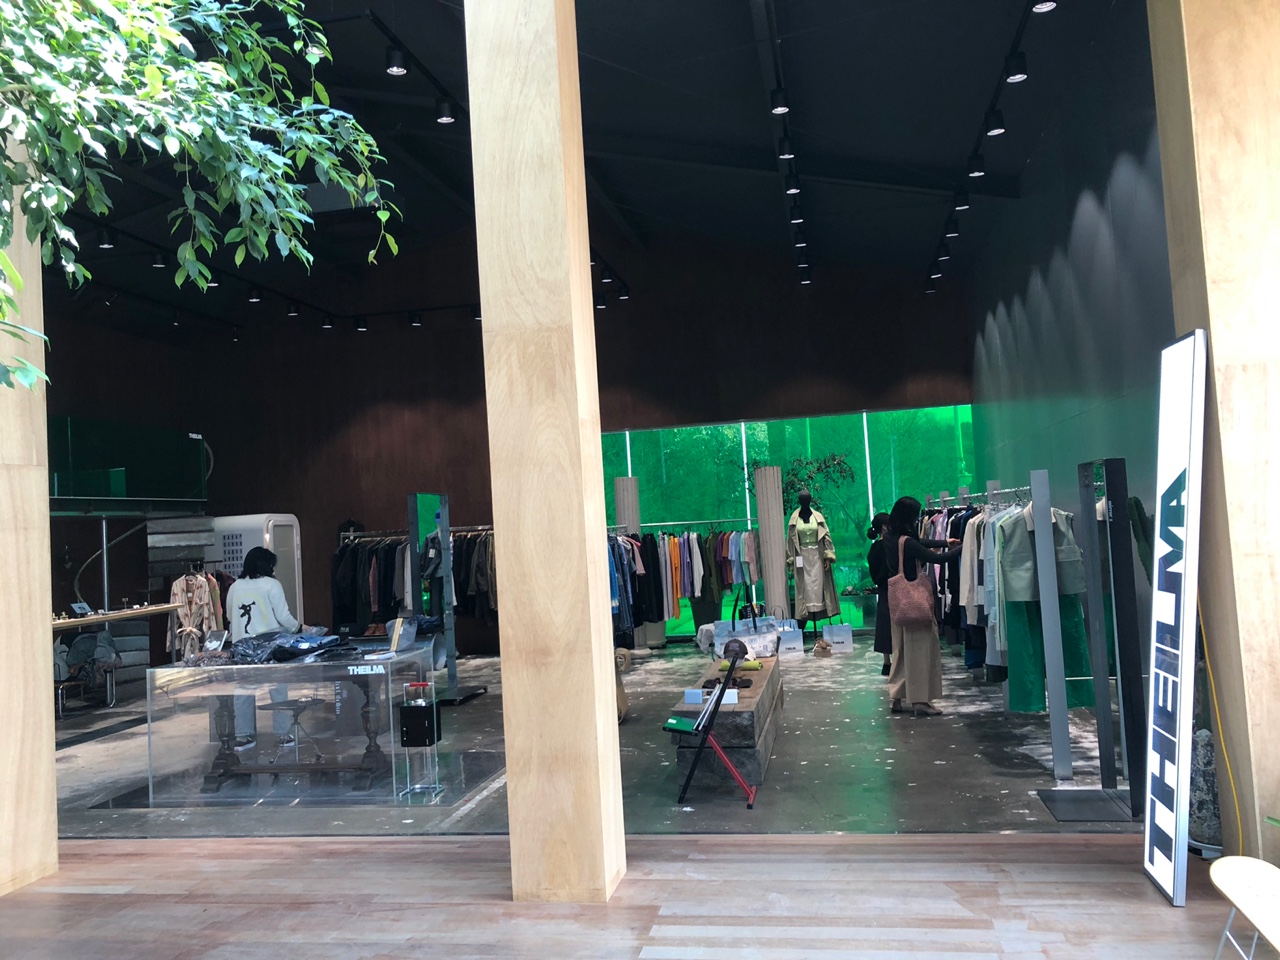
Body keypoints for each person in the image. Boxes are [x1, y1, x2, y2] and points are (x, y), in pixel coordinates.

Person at [882, 496, 960, 717]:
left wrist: (944, 542)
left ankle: (896, 697)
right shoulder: (908, 542)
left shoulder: (889, 537)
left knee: (900, 651)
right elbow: (939, 560)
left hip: (898, 602)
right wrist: (966, 547)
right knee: (920, 651)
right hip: (915, 604)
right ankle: (920, 701)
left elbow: (918, 545)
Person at [226, 547, 305, 750]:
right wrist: (299, 628)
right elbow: (283, 616)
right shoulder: (272, 585)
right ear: (266, 565)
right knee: (278, 689)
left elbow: (229, 615)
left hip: (242, 646)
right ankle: (283, 734)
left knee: (243, 690)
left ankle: (244, 736)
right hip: (269, 644)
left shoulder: (235, 587)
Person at [865, 513, 893, 676]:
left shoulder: (874, 548)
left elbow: (874, 571)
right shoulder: (892, 545)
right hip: (895, 586)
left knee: (884, 624)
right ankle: (899, 659)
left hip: (883, 588)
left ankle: (886, 662)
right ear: (884, 526)